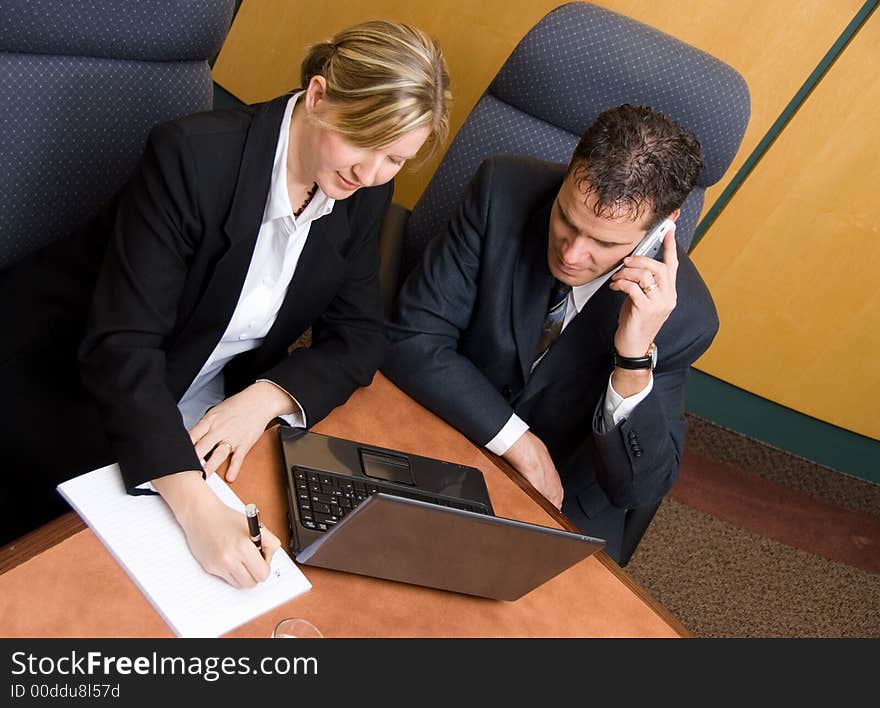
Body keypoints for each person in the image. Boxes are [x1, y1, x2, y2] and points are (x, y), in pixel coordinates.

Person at [0, 20, 451, 586]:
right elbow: (121, 347)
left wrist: (265, 397)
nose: (371, 172)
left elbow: (359, 337)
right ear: (317, 96)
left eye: (395, 159)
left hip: (196, 388)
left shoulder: (361, 189)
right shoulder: (192, 158)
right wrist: (194, 504)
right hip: (66, 377)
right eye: (363, 142)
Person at [383, 105, 717, 563]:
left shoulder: (686, 317)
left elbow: (636, 488)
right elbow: (411, 336)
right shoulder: (501, 189)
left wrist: (634, 358)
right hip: (445, 425)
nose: (573, 254)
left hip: (557, 501)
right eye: (566, 219)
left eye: (603, 242)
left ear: (663, 226)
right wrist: (518, 440)